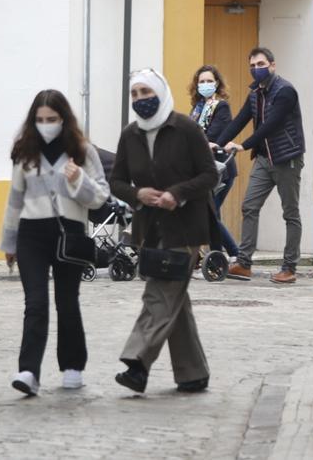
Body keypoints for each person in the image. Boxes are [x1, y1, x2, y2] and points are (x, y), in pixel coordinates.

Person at [110, 69, 219, 394]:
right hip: (150, 230)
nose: (141, 99)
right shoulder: (130, 135)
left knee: (159, 294)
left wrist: (178, 193)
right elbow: (117, 180)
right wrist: (136, 194)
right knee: (175, 300)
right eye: (135, 94)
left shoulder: (185, 129)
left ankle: (137, 364)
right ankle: (192, 374)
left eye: (146, 92)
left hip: (185, 230)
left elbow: (210, 175)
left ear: (160, 92)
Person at [0, 90, 109, 396]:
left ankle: (73, 366)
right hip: (31, 234)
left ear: (64, 119)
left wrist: (78, 180)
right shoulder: (25, 151)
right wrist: (9, 242)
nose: (46, 124)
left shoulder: (83, 151)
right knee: (35, 303)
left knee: (67, 302)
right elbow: (15, 198)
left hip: (69, 233)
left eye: (52, 119)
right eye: (40, 120)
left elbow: (100, 196)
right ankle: (28, 371)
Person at [215, 47, 305, 284]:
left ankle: (289, 267)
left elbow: (271, 125)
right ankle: (244, 263)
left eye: (261, 64)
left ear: (272, 65)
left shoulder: (286, 91)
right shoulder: (255, 93)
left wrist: (243, 145)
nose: (257, 69)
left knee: (290, 212)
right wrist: (217, 143)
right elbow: (240, 120)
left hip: (287, 159)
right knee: (249, 206)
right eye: (253, 65)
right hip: (265, 159)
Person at [188, 65, 240, 260]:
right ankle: (224, 257)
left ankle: (229, 255)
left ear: (217, 83)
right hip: (202, 169)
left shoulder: (221, 106)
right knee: (211, 214)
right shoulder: (197, 109)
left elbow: (214, 135)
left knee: (210, 214)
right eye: (201, 81)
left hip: (220, 170)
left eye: (209, 81)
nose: (205, 84)